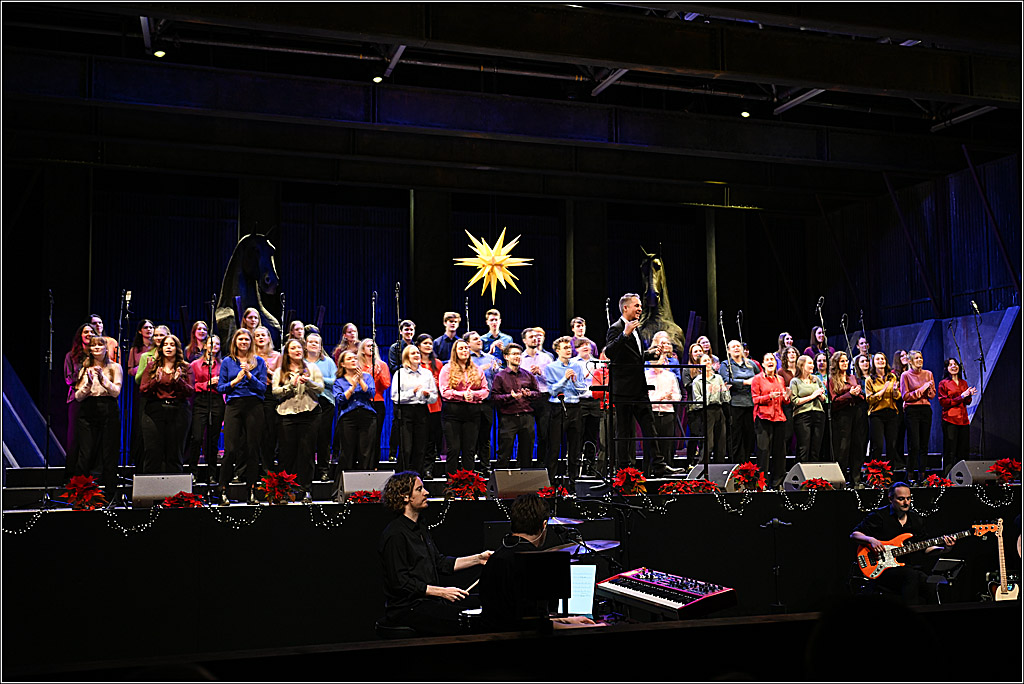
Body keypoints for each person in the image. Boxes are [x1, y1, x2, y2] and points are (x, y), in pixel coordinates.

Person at [377, 471, 492, 635]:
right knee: (466, 620)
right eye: (419, 489)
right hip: (407, 608)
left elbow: (440, 563)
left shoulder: (420, 527)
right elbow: (400, 582)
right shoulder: (395, 534)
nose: (426, 492)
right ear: (405, 497)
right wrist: (442, 591)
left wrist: (479, 559)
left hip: (428, 602)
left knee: (484, 605)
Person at [479, 494, 600, 632]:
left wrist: (565, 620)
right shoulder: (532, 563)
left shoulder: (498, 555)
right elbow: (534, 626)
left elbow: (517, 617)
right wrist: (581, 628)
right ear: (544, 525)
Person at [604, 294, 680, 478]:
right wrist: (625, 334)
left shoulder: (636, 328)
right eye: (636, 306)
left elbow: (635, 356)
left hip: (639, 389)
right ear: (625, 308)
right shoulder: (617, 329)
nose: (640, 309)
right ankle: (624, 470)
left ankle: (659, 465)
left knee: (649, 427)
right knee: (625, 432)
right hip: (624, 392)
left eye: (640, 306)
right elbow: (611, 352)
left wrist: (652, 354)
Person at [850, 482, 956, 605]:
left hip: (905, 567)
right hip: (882, 569)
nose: (906, 503)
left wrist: (945, 549)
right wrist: (871, 540)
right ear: (890, 499)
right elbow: (854, 534)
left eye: (908, 498)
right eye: (901, 499)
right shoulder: (879, 516)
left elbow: (924, 548)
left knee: (930, 584)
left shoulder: (916, 520)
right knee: (911, 576)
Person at [217, 328, 267, 505]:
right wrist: (235, 381)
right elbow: (220, 387)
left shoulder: (258, 362)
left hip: (254, 405)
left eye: (247, 339)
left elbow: (262, 388)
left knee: (252, 449)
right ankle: (222, 490)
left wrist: (249, 376)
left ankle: (251, 491)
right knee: (230, 450)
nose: (244, 342)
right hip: (234, 406)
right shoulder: (227, 362)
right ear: (235, 342)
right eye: (241, 339)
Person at [71, 335, 122, 505]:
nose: (97, 349)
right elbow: (77, 397)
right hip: (89, 408)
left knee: (109, 453)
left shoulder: (115, 367)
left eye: (100, 345)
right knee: (85, 453)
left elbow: (116, 392)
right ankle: (80, 495)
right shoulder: (85, 368)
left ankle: (110, 495)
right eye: (93, 346)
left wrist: (103, 380)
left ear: (106, 348)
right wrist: (88, 384)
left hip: (108, 408)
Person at [273, 337, 324, 502]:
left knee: (307, 453)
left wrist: (308, 382)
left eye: (299, 348)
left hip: (310, 414)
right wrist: (291, 385)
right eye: (293, 348)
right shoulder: (279, 371)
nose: (297, 350)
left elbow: (321, 388)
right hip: (287, 415)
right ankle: (284, 491)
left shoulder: (312, 368)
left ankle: (305, 490)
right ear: (287, 352)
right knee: (287, 454)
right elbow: (275, 392)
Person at [139, 334, 195, 474]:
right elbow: (143, 389)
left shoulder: (185, 367)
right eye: (166, 345)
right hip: (155, 411)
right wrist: (155, 381)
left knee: (175, 454)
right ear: (161, 348)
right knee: (153, 452)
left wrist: (178, 381)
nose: (168, 347)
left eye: (172, 345)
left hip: (178, 411)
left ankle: (175, 494)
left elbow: (190, 391)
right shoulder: (152, 366)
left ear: (177, 348)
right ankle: (151, 493)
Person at [439, 339, 488, 474]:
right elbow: (444, 392)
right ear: (455, 352)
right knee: (453, 449)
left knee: (469, 450)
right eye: (461, 348)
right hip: (452, 413)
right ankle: (451, 484)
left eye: (466, 348)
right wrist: (461, 395)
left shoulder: (477, 369)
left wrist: (474, 395)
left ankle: (468, 485)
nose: (464, 350)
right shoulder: (447, 369)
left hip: (472, 413)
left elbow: (485, 390)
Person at [391, 345, 439, 476]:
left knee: (420, 449)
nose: (417, 355)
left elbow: (434, 397)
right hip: (405, 412)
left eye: (417, 352)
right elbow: (395, 397)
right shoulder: (400, 373)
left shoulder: (427, 373)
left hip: (422, 411)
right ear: (407, 357)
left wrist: (427, 395)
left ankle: (418, 479)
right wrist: (413, 392)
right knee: (406, 449)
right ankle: (402, 479)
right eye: (413, 353)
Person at [491, 343, 539, 470]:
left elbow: (537, 393)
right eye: (514, 354)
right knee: (504, 452)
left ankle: (524, 486)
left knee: (526, 453)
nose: (517, 357)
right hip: (508, 418)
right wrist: (510, 397)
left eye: (519, 354)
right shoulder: (500, 376)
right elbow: (495, 398)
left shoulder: (528, 375)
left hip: (526, 417)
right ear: (506, 356)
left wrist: (529, 394)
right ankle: (502, 485)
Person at [545, 336, 586, 483]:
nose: (569, 350)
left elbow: (582, 389)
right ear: (557, 351)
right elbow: (552, 391)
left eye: (570, 348)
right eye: (565, 348)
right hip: (558, 408)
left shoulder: (577, 366)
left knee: (575, 448)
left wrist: (574, 381)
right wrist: (565, 379)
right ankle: (550, 482)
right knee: (555, 447)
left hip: (575, 407)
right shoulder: (551, 368)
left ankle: (574, 481)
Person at [187, 334, 224, 485]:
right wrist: (207, 383)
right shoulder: (195, 364)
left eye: (217, 344)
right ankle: (193, 473)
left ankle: (212, 475)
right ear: (205, 345)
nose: (213, 346)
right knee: (196, 438)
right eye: (211, 343)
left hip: (217, 401)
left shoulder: (223, 364)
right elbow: (191, 386)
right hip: (200, 400)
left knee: (213, 439)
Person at [333, 350, 377, 471]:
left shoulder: (367, 377)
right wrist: (352, 387)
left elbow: (371, 393)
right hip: (348, 418)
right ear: (342, 364)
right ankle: (346, 484)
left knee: (365, 453)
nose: (353, 360)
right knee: (347, 453)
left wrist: (360, 380)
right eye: (349, 359)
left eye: (355, 358)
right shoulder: (339, 381)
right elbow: (340, 400)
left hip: (367, 416)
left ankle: (365, 486)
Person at [752, 352, 789, 489]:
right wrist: (769, 396)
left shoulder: (780, 379)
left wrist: (786, 397)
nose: (770, 361)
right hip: (763, 418)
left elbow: (785, 401)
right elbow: (755, 400)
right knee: (763, 452)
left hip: (779, 418)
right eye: (767, 359)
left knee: (779, 452)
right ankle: (762, 484)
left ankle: (778, 483)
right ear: (763, 364)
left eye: (772, 359)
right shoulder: (757, 379)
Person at [520, 327, 554, 471]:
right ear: (524, 340)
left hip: (543, 397)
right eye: (531, 336)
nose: (535, 339)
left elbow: (552, 380)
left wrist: (541, 373)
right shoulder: (520, 358)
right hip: (526, 399)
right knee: (526, 434)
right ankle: (524, 465)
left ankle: (542, 465)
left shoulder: (546, 358)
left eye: (536, 336)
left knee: (544, 433)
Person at [304, 332, 337, 482]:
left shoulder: (328, 362)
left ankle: (324, 470)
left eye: (316, 343)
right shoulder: (301, 361)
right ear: (305, 345)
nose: (313, 344)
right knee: (308, 438)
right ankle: (307, 471)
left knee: (324, 438)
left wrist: (315, 379)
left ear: (320, 346)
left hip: (325, 403)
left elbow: (335, 380)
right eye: (310, 342)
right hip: (306, 402)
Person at [900, 350, 936, 483]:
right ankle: (910, 475)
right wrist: (922, 389)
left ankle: (922, 475)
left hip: (925, 409)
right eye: (916, 358)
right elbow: (906, 396)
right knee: (914, 444)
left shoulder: (928, 374)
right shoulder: (905, 375)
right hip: (912, 410)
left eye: (921, 358)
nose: (920, 360)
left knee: (924, 444)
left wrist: (930, 389)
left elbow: (932, 395)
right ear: (910, 361)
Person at [827, 351, 863, 484]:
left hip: (856, 414)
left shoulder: (852, 377)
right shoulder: (831, 380)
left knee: (857, 446)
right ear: (836, 363)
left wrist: (857, 393)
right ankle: (840, 480)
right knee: (843, 448)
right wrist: (849, 394)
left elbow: (861, 396)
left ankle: (856, 479)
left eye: (846, 361)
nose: (845, 363)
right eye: (842, 361)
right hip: (842, 416)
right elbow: (833, 401)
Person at [63, 323, 95, 472]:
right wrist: (84, 371)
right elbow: (68, 379)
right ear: (80, 336)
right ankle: (70, 475)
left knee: (92, 441)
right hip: (76, 398)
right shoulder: (71, 356)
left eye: (92, 332)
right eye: (86, 332)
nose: (89, 334)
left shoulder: (99, 356)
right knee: (74, 439)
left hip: (95, 399)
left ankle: (90, 475)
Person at [646, 348, 682, 474]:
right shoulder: (645, 376)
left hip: (668, 413)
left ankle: (668, 471)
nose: (657, 361)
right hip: (652, 414)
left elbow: (678, 397)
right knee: (651, 444)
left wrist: (670, 397)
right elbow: (644, 398)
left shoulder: (670, 376)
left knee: (667, 444)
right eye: (654, 359)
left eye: (659, 358)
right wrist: (659, 398)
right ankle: (648, 472)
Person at [721, 339, 757, 463]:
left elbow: (759, 378)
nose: (736, 348)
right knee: (736, 436)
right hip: (735, 404)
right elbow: (726, 380)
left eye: (738, 346)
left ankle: (747, 464)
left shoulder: (751, 364)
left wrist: (739, 382)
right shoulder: (726, 365)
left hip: (750, 403)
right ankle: (735, 464)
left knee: (749, 435)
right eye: (733, 347)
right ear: (729, 350)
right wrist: (746, 382)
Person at [937, 358, 976, 472]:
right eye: (950, 365)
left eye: (955, 364)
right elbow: (944, 402)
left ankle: (963, 476)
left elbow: (967, 402)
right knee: (950, 449)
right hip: (950, 419)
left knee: (963, 449)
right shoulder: (943, 383)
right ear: (947, 368)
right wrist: (962, 396)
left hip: (963, 419)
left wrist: (969, 395)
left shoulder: (963, 382)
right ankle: (947, 477)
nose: (954, 366)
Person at [690, 354, 729, 464]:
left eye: (709, 360)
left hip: (719, 410)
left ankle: (719, 468)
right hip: (706, 412)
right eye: (704, 360)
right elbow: (697, 402)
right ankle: (702, 468)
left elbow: (726, 399)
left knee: (721, 443)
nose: (707, 362)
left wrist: (724, 391)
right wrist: (710, 393)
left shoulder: (718, 378)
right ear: (699, 365)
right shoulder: (697, 381)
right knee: (709, 443)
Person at [358, 338, 392, 466]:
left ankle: (374, 465)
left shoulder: (382, 365)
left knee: (375, 435)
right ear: (362, 350)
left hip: (377, 402)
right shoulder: (358, 365)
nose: (371, 348)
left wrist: (378, 374)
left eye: (373, 346)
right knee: (362, 436)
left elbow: (386, 384)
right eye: (368, 346)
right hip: (361, 403)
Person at [415, 334, 444, 479]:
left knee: (432, 439)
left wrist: (433, 384)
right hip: (418, 405)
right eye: (425, 343)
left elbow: (442, 382)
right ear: (418, 346)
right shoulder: (415, 362)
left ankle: (428, 469)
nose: (428, 345)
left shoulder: (438, 363)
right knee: (421, 439)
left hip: (435, 405)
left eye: (430, 343)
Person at [126, 319, 155, 467]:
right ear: (140, 331)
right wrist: (143, 367)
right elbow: (130, 370)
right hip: (140, 387)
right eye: (146, 327)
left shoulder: (157, 348)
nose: (149, 330)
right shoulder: (135, 350)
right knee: (140, 420)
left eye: (151, 327)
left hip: (156, 386)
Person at [865, 352, 901, 465]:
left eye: (883, 359)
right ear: (873, 363)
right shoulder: (869, 380)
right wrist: (883, 390)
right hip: (877, 414)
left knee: (891, 445)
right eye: (878, 359)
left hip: (891, 413)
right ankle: (875, 474)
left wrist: (895, 391)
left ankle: (889, 474)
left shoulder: (892, 377)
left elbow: (897, 396)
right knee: (878, 445)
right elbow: (869, 399)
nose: (881, 361)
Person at [573, 338, 603, 475]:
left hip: (595, 402)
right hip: (580, 402)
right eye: (581, 345)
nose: (585, 347)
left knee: (592, 435)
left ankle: (590, 467)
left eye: (587, 345)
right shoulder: (572, 363)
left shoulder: (598, 363)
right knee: (578, 435)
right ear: (576, 348)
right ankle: (575, 467)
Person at [790, 354, 826, 464]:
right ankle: (801, 474)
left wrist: (820, 395)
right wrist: (812, 396)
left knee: (816, 448)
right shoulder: (795, 381)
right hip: (803, 415)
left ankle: (814, 478)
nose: (812, 365)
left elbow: (824, 399)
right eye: (809, 363)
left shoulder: (816, 380)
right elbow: (795, 401)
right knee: (804, 447)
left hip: (818, 414)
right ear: (801, 365)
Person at [849, 353, 873, 486]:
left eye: (867, 361)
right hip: (861, 411)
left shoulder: (874, 378)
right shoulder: (856, 379)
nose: (865, 363)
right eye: (862, 361)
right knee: (860, 443)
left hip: (875, 411)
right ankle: (857, 474)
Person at [680, 342, 705, 464]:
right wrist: (700, 382)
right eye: (695, 351)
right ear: (691, 355)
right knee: (694, 435)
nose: (698, 353)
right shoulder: (687, 369)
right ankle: (690, 462)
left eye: (700, 351)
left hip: (707, 406)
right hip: (693, 407)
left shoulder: (707, 368)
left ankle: (702, 462)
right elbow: (687, 386)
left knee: (704, 436)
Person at [777, 345, 801, 456]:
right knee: (787, 433)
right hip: (787, 405)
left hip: (800, 404)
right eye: (789, 353)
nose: (792, 354)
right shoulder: (781, 372)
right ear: (785, 356)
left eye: (793, 352)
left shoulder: (801, 371)